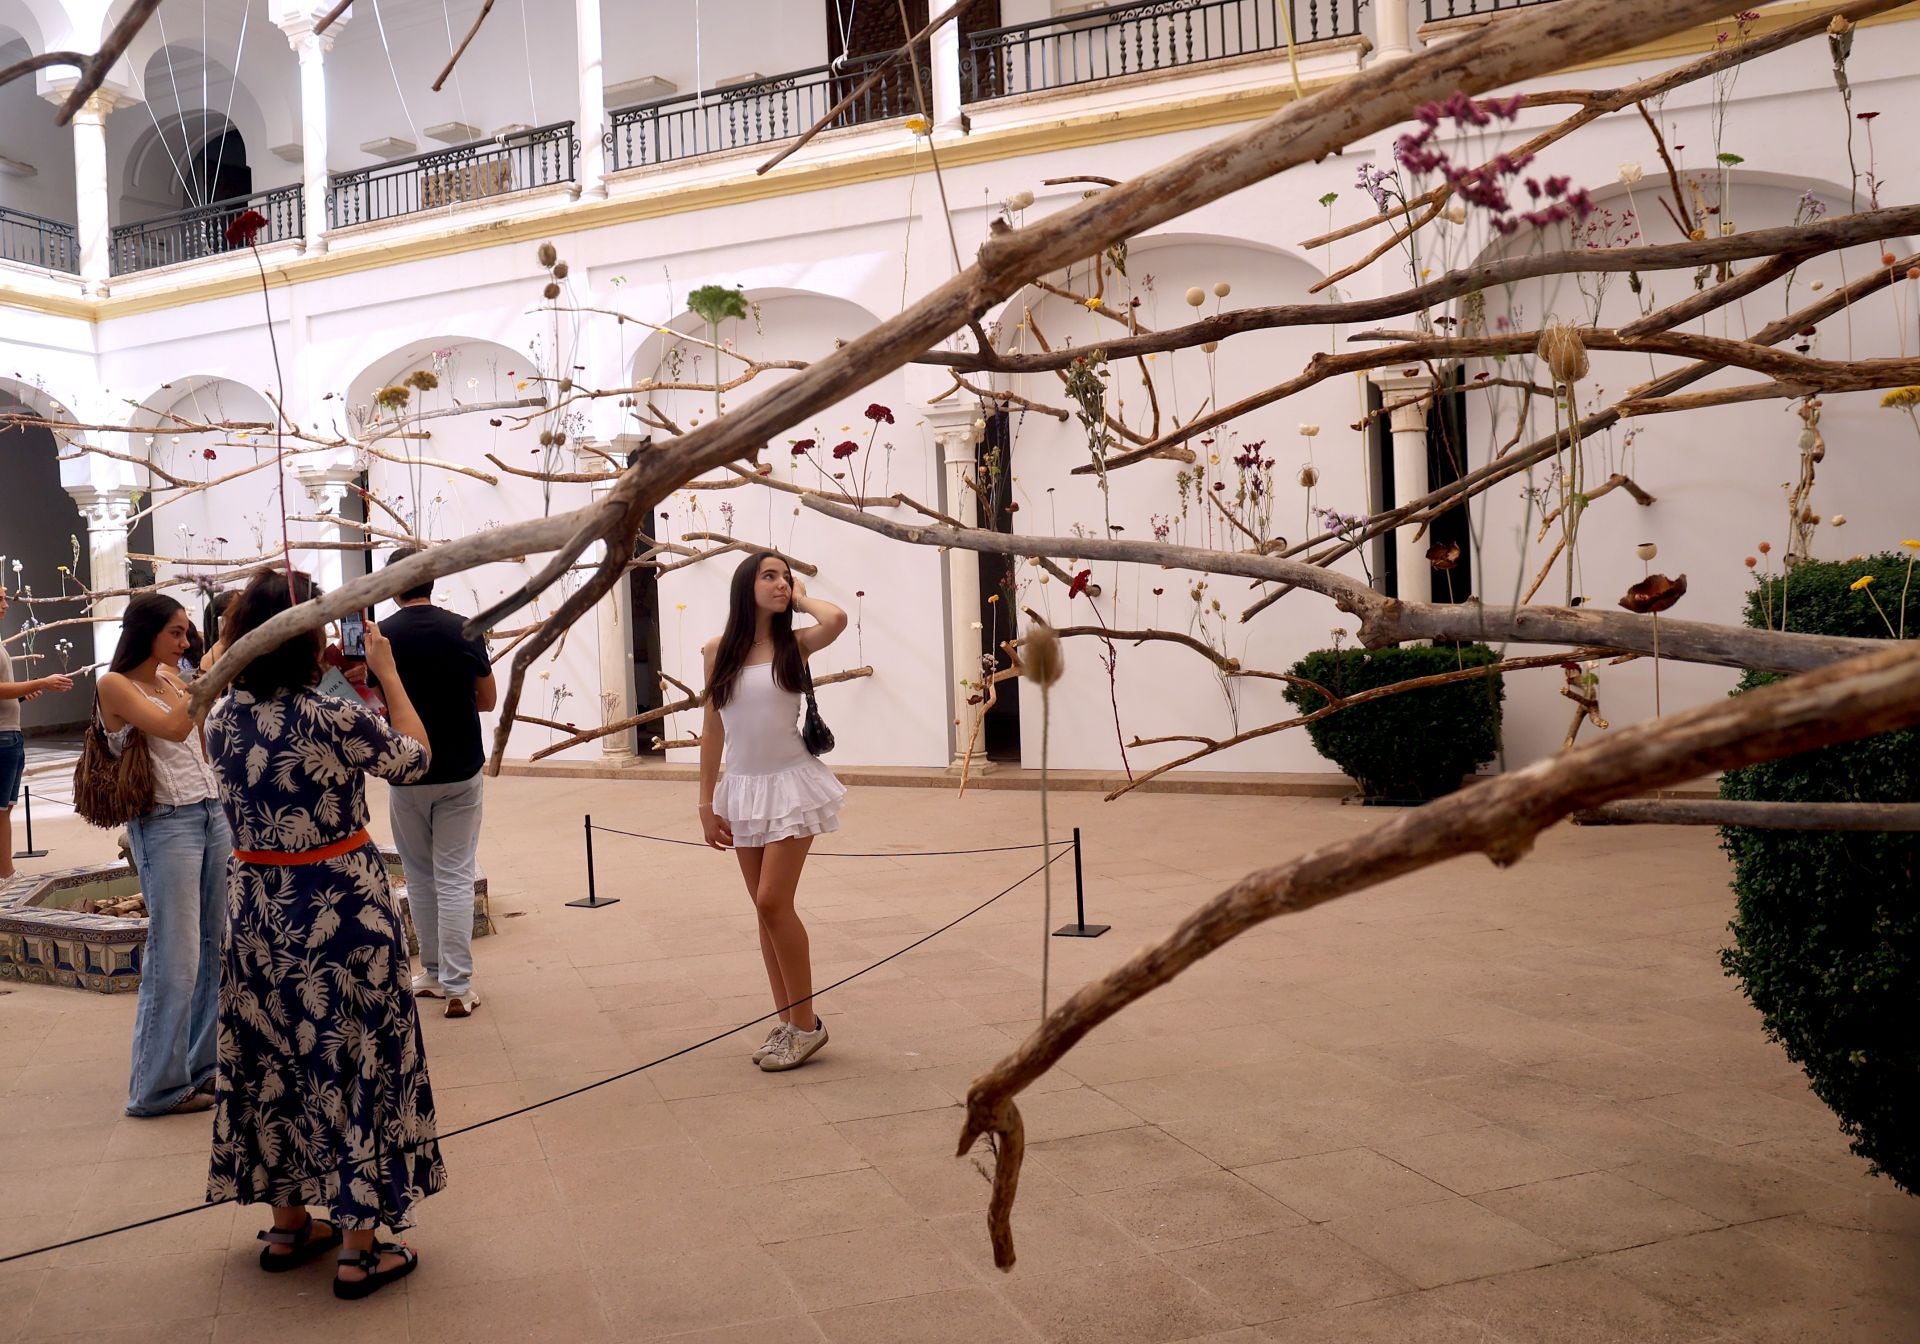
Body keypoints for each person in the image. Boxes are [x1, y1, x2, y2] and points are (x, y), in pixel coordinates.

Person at [203, 567, 443, 1299]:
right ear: (309, 639)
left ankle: (288, 1224)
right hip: (340, 908)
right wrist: (387, 674)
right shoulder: (329, 716)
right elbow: (414, 758)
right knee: (352, 1058)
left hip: (257, 911)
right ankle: (360, 1249)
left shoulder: (220, 719)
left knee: (273, 1058)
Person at [699, 552, 848, 1072]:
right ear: (747, 586)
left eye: (785, 576)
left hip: (791, 786)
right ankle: (788, 1021)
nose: (780, 583)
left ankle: (807, 1027)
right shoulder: (718, 651)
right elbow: (713, 727)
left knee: (772, 901)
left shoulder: (794, 644)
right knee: (765, 913)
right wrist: (705, 801)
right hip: (741, 790)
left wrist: (800, 595)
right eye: (770, 576)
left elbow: (835, 619)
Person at [98, 593, 230, 1118]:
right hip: (165, 822)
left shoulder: (175, 679)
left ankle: (204, 1066)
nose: (185, 641)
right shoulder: (115, 685)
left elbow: (200, 739)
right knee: (175, 958)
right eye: (175, 632)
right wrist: (210, 671)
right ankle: (154, 1087)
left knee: (213, 948)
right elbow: (174, 728)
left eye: (187, 633)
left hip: (209, 813)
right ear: (147, 631)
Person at [373, 547, 496, 1018]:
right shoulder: (465, 627)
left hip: (406, 770)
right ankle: (459, 987)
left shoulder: (379, 636)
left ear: (392, 584)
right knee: (455, 873)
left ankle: (433, 972)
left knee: (419, 875)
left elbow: (370, 699)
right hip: (461, 766)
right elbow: (486, 700)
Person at [0, 582, 75, 881]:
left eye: (5, 598)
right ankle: (5, 874)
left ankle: (6, 872)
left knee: (5, 809)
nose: (5, 604)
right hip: (2, 737)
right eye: (0, 598)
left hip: (9, 735)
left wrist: (21, 694)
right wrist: (39, 683)